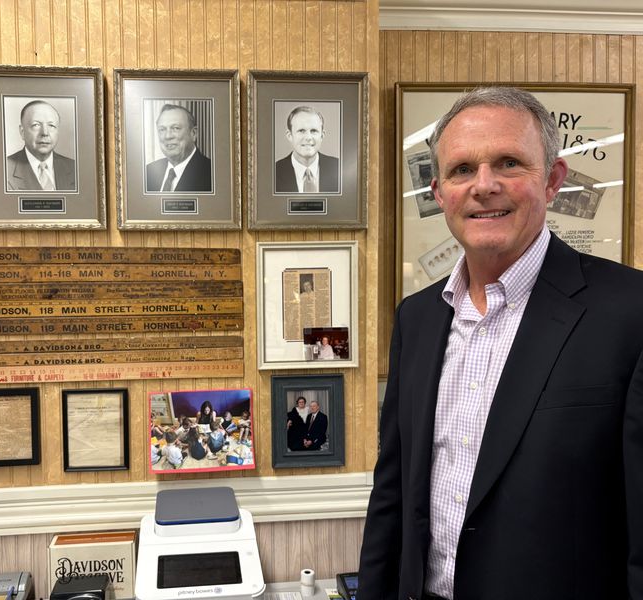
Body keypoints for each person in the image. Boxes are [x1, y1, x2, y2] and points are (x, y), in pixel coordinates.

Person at [358, 87, 643, 600]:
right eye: (462, 169)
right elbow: (392, 494)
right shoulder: (418, 318)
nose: (483, 186)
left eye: (509, 163)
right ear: (439, 190)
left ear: (553, 180)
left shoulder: (631, 312)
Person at [5, 100, 76, 191]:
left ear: (58, 131)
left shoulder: (74, 168)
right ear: (22, 132)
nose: (45, 133)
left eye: (51, 125)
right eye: (36, 125)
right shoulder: (5, 169)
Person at [145, 104, 212, 193]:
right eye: (162, 129)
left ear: (193, 134)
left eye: (176, 128)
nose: (167, 136)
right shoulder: (148, 172)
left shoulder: (212, 173)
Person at [274, 106, 339, 194]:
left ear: (322, 135)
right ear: (289, 135)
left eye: (313, 131)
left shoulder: (339, 168)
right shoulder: (273, 173)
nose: (308, 137)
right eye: (301, 131)